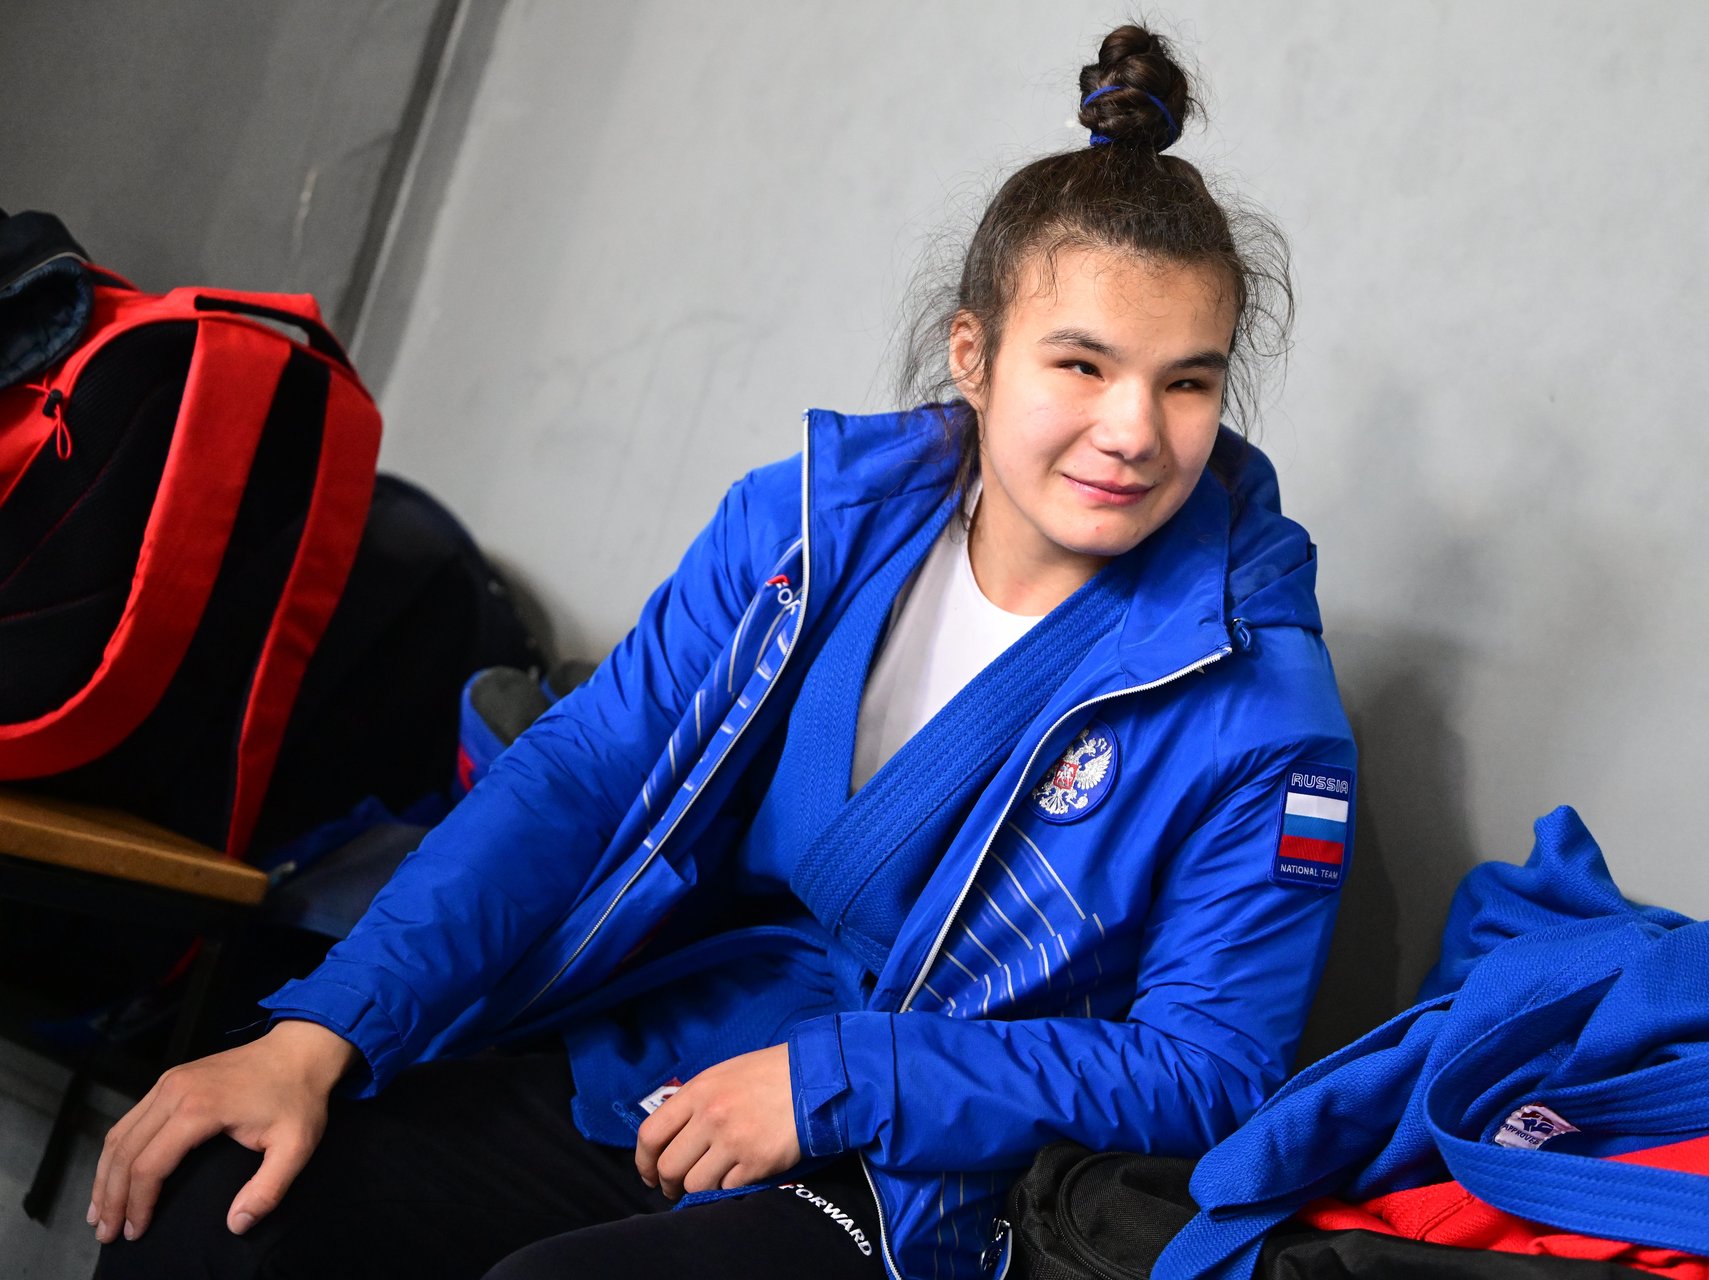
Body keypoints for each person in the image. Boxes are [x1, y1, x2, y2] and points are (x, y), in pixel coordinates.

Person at [90, 23, 1355, 1280]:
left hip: (924, 1176)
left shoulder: (1263, 712)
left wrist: (841, 1077)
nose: (1134, 429)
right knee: (215, 1212)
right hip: (675, 1053)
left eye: (1187, 382)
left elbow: (1211, 1070)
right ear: (972, 355)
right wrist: (325, 1028)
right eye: (1082, 363)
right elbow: (582, 771)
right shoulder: (805, 523)